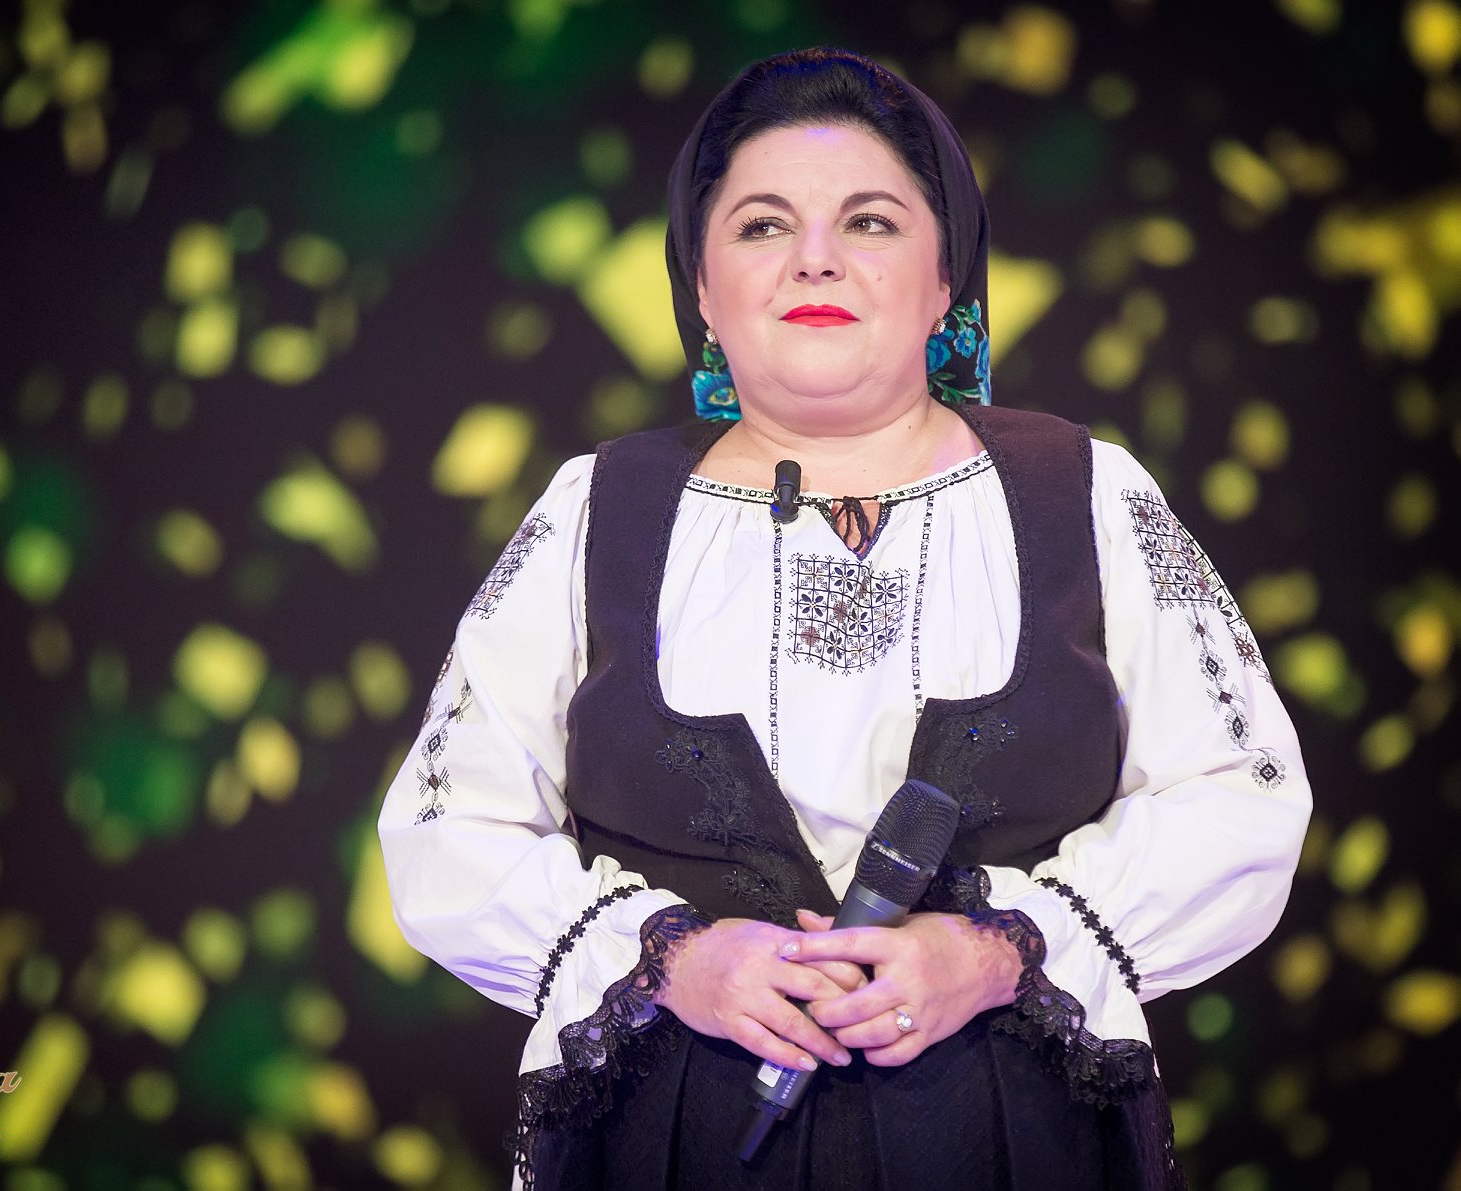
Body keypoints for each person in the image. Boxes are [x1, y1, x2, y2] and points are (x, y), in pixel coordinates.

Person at [378, 47, 1310, 1190]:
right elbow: (445, 825)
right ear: (702, 287)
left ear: (943, 277)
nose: (812, 257)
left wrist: (997, 951)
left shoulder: (1085, 494)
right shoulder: (595, 510)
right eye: (760, 226)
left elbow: (1240, 793)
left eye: (868, 221)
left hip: (1011, 1148)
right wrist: (670, 961)